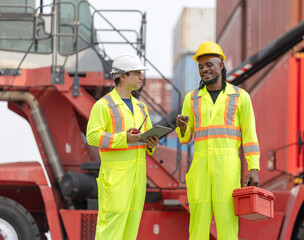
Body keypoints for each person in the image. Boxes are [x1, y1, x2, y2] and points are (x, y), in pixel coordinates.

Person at [176, 41, 260, 239]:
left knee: (228, 228)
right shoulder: (192, 98)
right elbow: (186, 138)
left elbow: (250, 135)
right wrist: (182, 128)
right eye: (200, 66)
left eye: (209, 65)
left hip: (227, 170)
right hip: (200, 170)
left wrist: (253, 167)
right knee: (197, 229)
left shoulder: (240, 97)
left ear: (221, 65)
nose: (204, 70)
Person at [86, 53, 159, 240]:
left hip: (137, 177)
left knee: (131, 230)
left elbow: (147, 137)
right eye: (137, 73)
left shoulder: (142, 107)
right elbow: (92, 136)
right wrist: (123, 139)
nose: (141, 77)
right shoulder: (103, 105)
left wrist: (152, 143)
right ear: (123, 77)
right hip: (116, 178)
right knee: (110, 229)